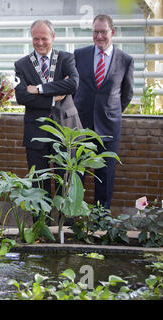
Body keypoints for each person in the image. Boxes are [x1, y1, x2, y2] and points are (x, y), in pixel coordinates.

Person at [14, 19, 80, 219]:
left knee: (64, 178)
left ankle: (64, 226)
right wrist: (53, 96)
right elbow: (21, 97)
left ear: (53, 37)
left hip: (65, 128)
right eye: (36, 38)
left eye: (44, 38)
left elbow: (73, 85)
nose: (40, 42)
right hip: (35, 130)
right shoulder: (22, 64)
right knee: (38, 181)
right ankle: (40, 225)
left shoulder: (66, 58)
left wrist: (40, 89)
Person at [73, 14, 134, 210]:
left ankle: (101, 221)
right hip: (81, 126)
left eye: (103, 32)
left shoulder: (125, 60)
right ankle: (73, 219)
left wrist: (110, 112)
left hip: (109, 128)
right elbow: (72, 88)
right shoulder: (79, 55)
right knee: (76, 175)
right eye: (95, 32)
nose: (99, 36)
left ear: (112, 32)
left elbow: (127, 94)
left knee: (105, 177)